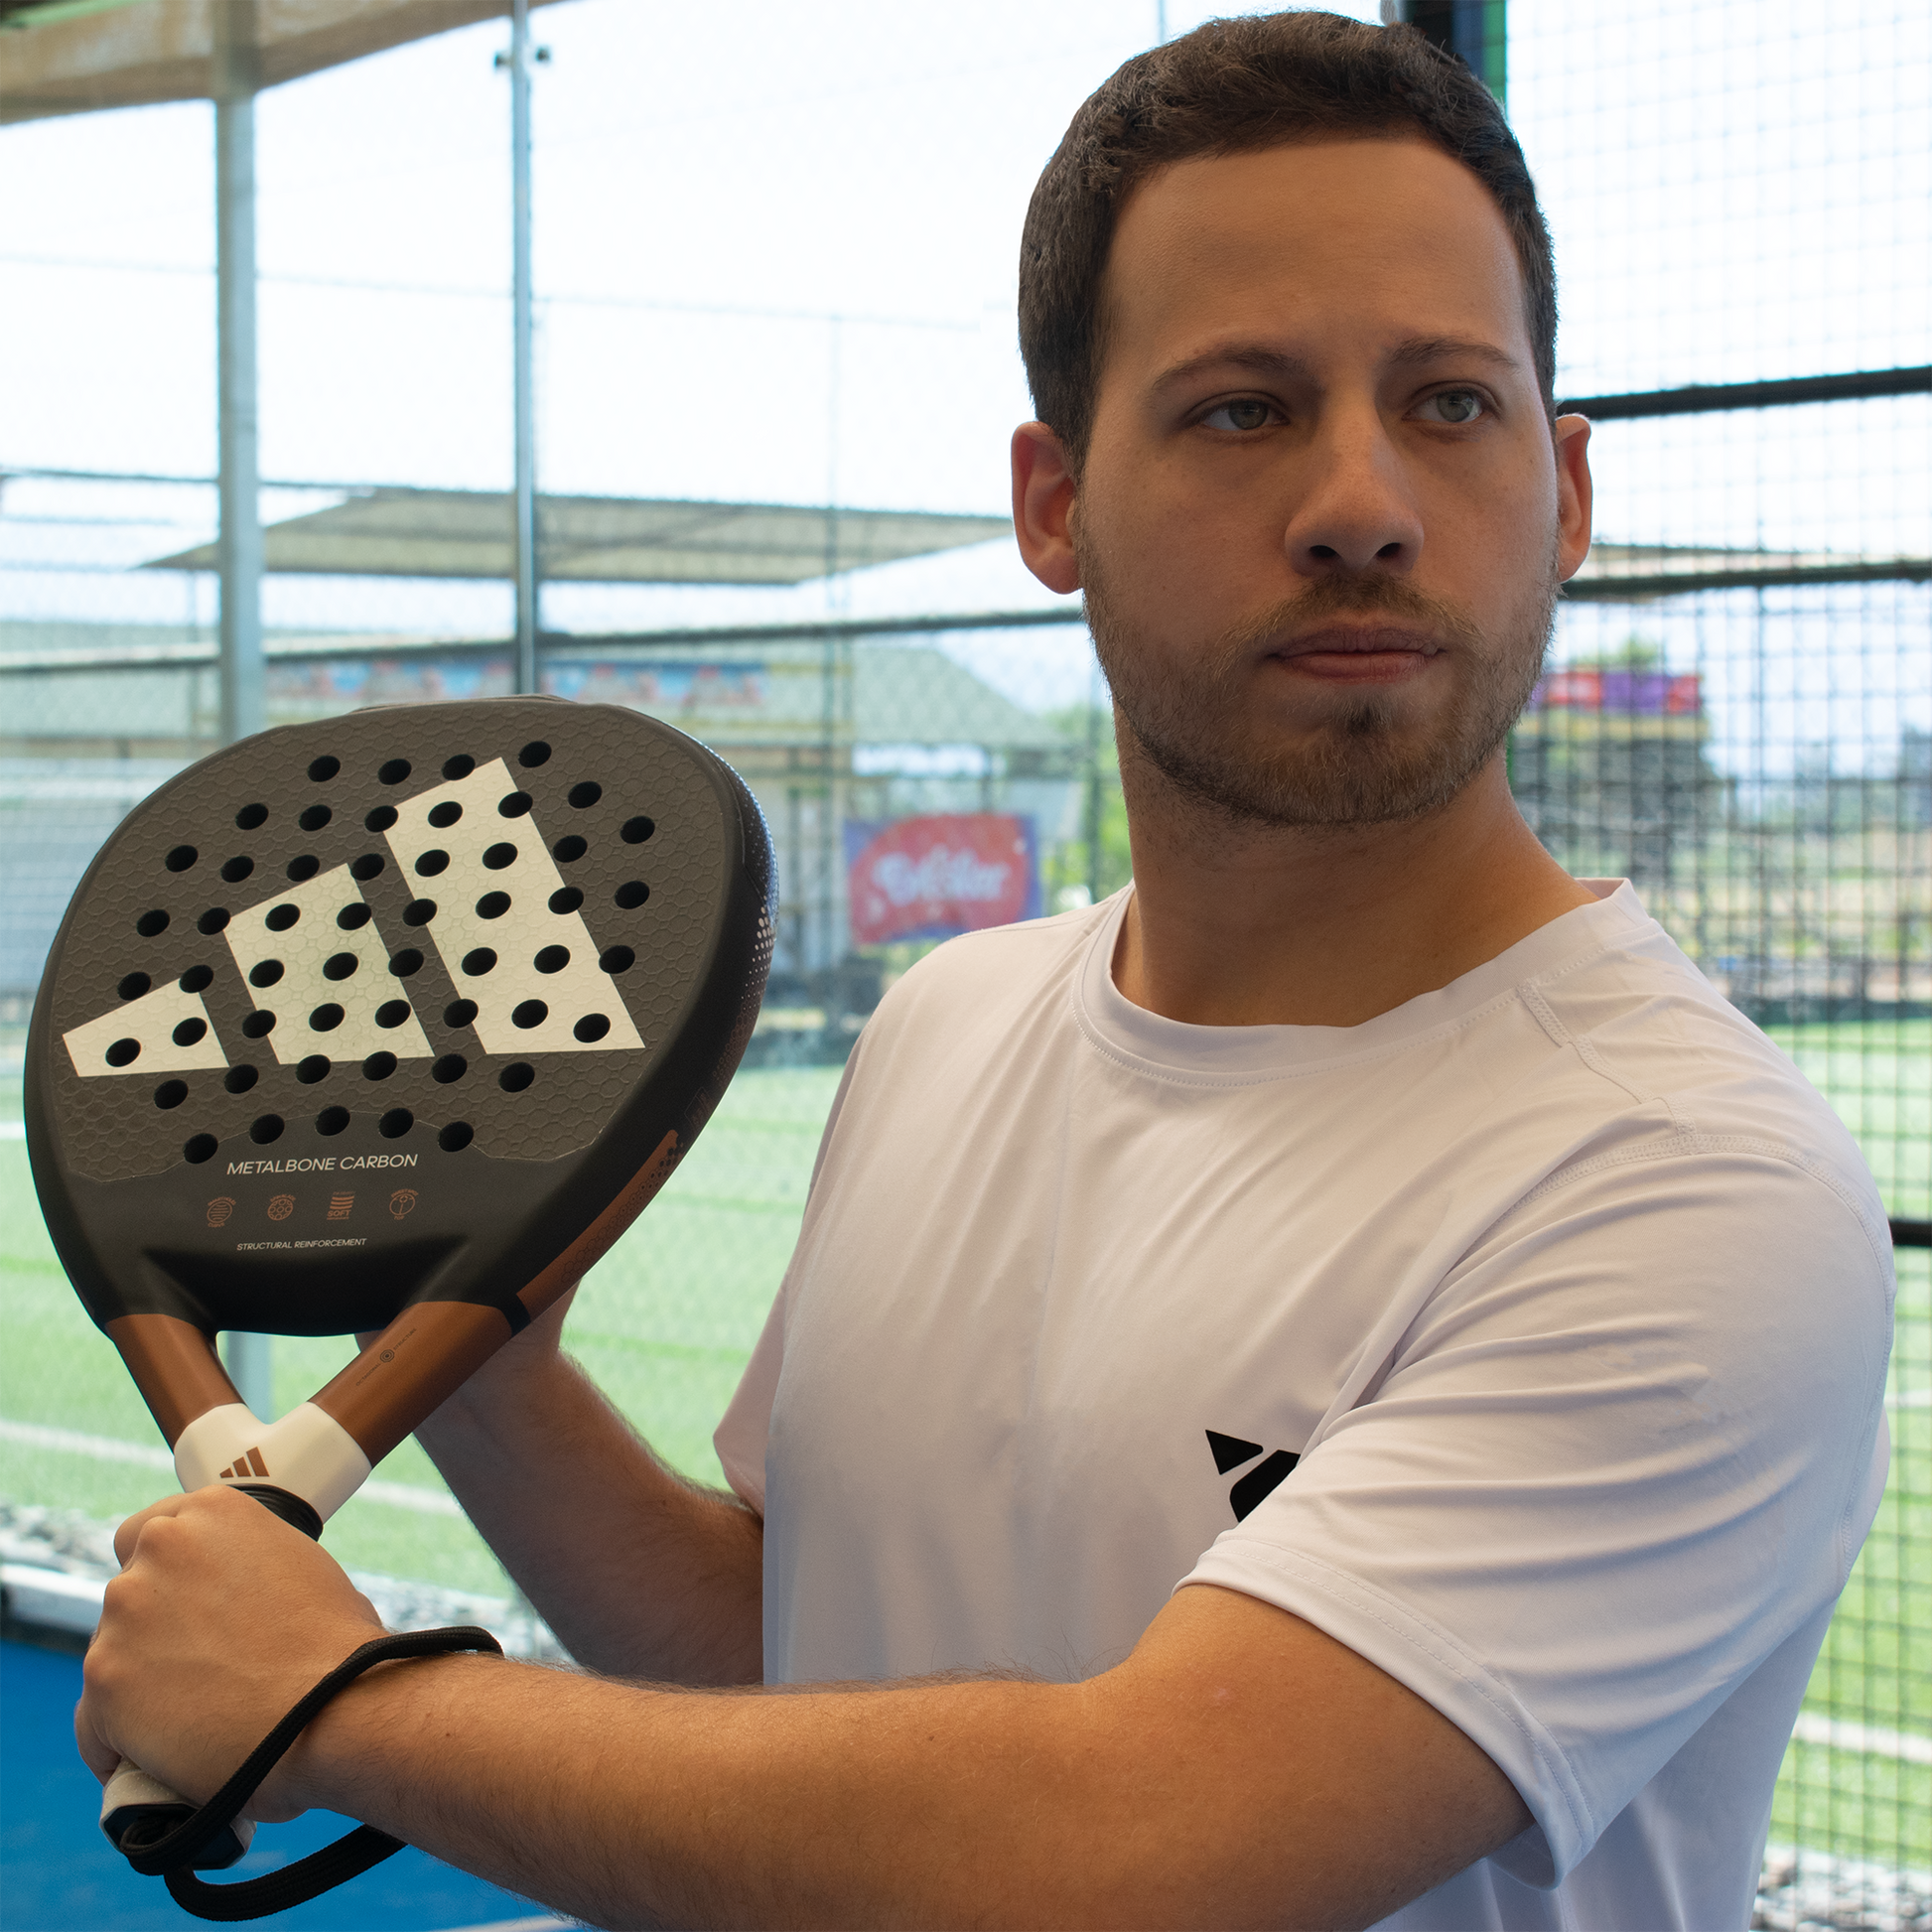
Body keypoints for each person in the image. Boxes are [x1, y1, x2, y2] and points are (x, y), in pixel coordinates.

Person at [79, 14, 1891, 1931]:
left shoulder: (1682, 1181)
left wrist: (348, 1710)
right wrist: (482, 1355)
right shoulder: (948, 1019)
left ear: (1567, 490)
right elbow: (782, 1666)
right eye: (1240, 407)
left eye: (1451, 401)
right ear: (1052, 504)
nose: (1360, 499)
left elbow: (1128, 1852)